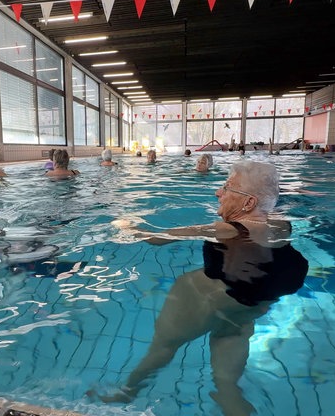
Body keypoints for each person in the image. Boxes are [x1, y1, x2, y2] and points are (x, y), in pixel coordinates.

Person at [99, 161, 309, 416]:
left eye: (227, 187)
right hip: (249, 307)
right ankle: (232, 403)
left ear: (249, 203)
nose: (218, 193)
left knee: (163, 347)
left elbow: (156, 238)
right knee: (227, 383)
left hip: (204, 299)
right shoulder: (281, 227)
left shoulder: (226, 229)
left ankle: (126, 392)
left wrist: (125, 225)